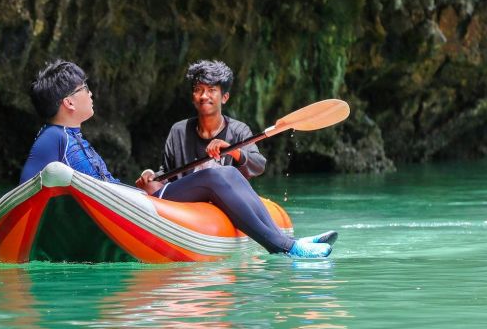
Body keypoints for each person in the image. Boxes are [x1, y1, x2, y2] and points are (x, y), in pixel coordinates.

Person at [20, 59, 336, 258]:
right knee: (218, 175)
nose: (91, 93)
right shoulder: (57, 138)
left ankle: (287, 242)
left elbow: (257, 165)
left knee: (227, 174)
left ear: (223, 96)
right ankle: (287, 248)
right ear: (69, 103)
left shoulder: (70, 136)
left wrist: (145, 185)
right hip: (151, 199)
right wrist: (148, 184)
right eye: (85, 89)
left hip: (151, 199)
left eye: (212, 90)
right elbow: (34, 191)